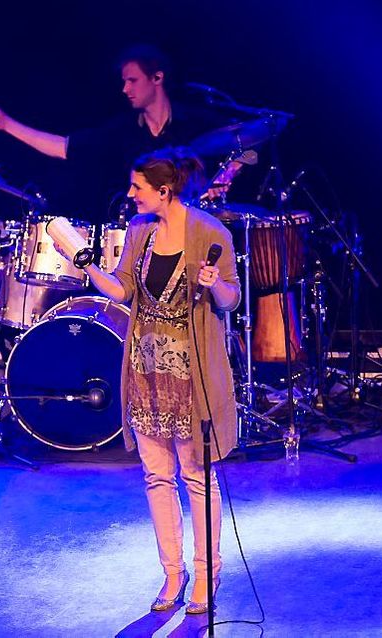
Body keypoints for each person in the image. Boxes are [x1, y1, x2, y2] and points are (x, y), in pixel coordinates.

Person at [57, 147, 240, 613]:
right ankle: (172, 573)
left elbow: (230, 300)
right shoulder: (139, 231)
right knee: (157, 476)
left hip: (190, 373)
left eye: (138, 187)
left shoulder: (209, 231)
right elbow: (122, 290)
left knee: (196, 476)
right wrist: (85, 264)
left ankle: (206, 573)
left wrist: (213, 282)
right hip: (145, 370)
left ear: (165, 190)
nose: (130, 193)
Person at [0, 45, 247, 218]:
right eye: (124, 82)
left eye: (132, 80)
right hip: (141, 234)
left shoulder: (197, 121)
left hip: (194, 230)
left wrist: (228, 172)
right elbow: (62, 147)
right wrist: (7, 124)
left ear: (157, 78)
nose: (125, 89)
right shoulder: (121, 130)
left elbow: (247, 138)